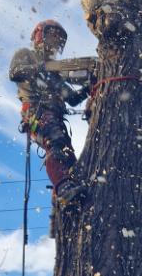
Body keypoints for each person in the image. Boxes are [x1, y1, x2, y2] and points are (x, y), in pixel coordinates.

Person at [9, 20, 90, 223]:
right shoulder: (26, 55)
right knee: (56, 145)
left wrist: (91, 86)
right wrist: (41, 69)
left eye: (58, 39)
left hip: (55, 115)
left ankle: (60, 208)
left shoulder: (55, 75)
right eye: (52, 35)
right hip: (36, 111)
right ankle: (63, 189)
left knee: (69, 158)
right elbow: (15, 72)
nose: (55, 41)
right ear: (40, 36)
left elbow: (71, 98)